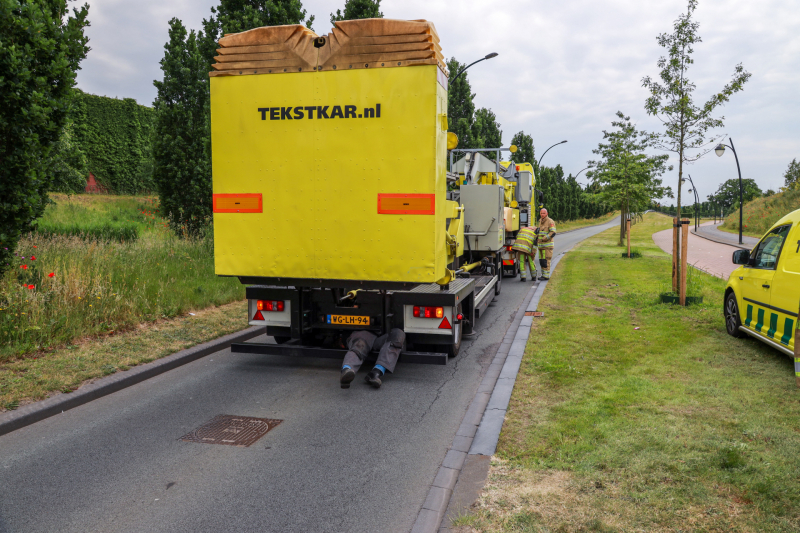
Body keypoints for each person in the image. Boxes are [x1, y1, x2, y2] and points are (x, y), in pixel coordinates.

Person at [340, 329, 405, 389]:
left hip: (379, 337)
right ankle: (346, 370)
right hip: (363, 334)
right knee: (359, 345)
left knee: (398, 334)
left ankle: (376, 372)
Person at [537, 208, 556, 280]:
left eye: (544, 213)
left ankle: (546, 276)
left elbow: (553, 232)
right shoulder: (540, 221)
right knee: (542, 261)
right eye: (541, 213)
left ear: (547, 214)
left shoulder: (550, 221)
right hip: (541, 246)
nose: (542, 215)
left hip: (547, 246)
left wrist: (544, 238)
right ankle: (543, 275)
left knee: (546, 260)